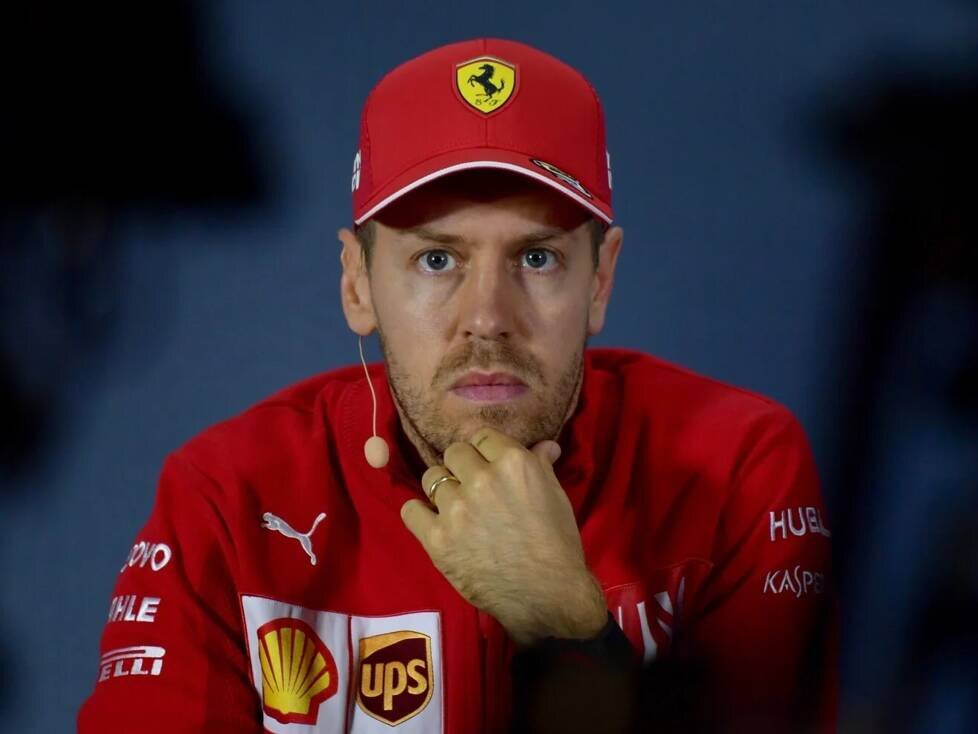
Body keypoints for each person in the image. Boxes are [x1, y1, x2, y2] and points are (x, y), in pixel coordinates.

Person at [78, 38, 836, 733]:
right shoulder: (227, 499)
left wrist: (567, 623)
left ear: (600, 280)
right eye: (437, 260)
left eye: (536, 258)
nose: (487, 319)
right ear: (357, 285)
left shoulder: (738, 469)